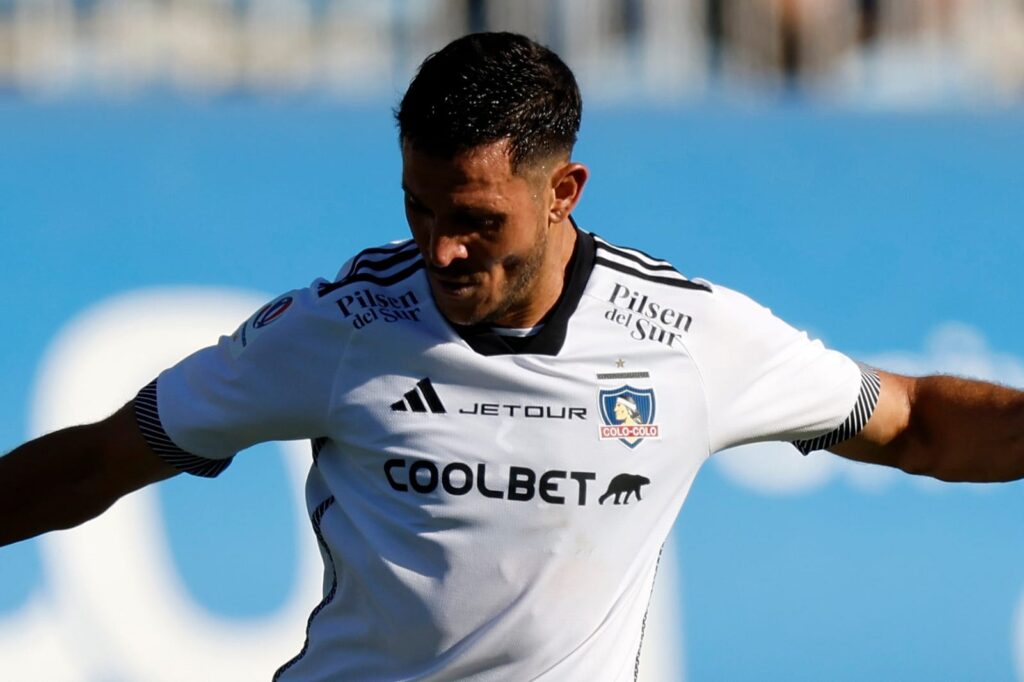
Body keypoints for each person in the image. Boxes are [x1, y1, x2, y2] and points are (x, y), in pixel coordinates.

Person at [1, 31, 1022, 681]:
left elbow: (918, 423)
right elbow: (105, 455)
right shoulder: (342, 326)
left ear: (563, 189)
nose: (441, 247)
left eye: (477, 220)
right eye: (420, 208)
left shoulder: (691, 338)